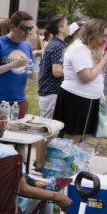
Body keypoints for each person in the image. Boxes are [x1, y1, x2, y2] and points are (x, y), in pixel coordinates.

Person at [54, 20, 107, 142]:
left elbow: (98, 72)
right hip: (76, 98)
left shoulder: (89, 48)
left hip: (88, 98)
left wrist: (103, 58)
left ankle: (72, 160)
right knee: (71, 136)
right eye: (102, 36)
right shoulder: (79, 49)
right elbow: (86, 77)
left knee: (80, 136)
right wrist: (105, 60)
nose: (104, 39)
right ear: (92, 33)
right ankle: (66, 160)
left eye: (106, 36)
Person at [0, 11, 36, 118]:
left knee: (17, 134)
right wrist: (12, 65)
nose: (28, 32)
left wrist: (32, 75)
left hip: (19, 100)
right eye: (24, 28)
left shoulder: (27, 46)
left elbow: (28, 70)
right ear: (13, 26)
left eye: (30, 29)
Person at [33, 15, 70, 169]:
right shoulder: (58, 46)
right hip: (51, 92)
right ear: (60, 28)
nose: (69, 27)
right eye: (67, 24)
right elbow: (57, 71)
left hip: (49, 91)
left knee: (48, 130)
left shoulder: (56, 44)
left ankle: (40, 161)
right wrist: (74, 71)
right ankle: (40, 164)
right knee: (47, 131)